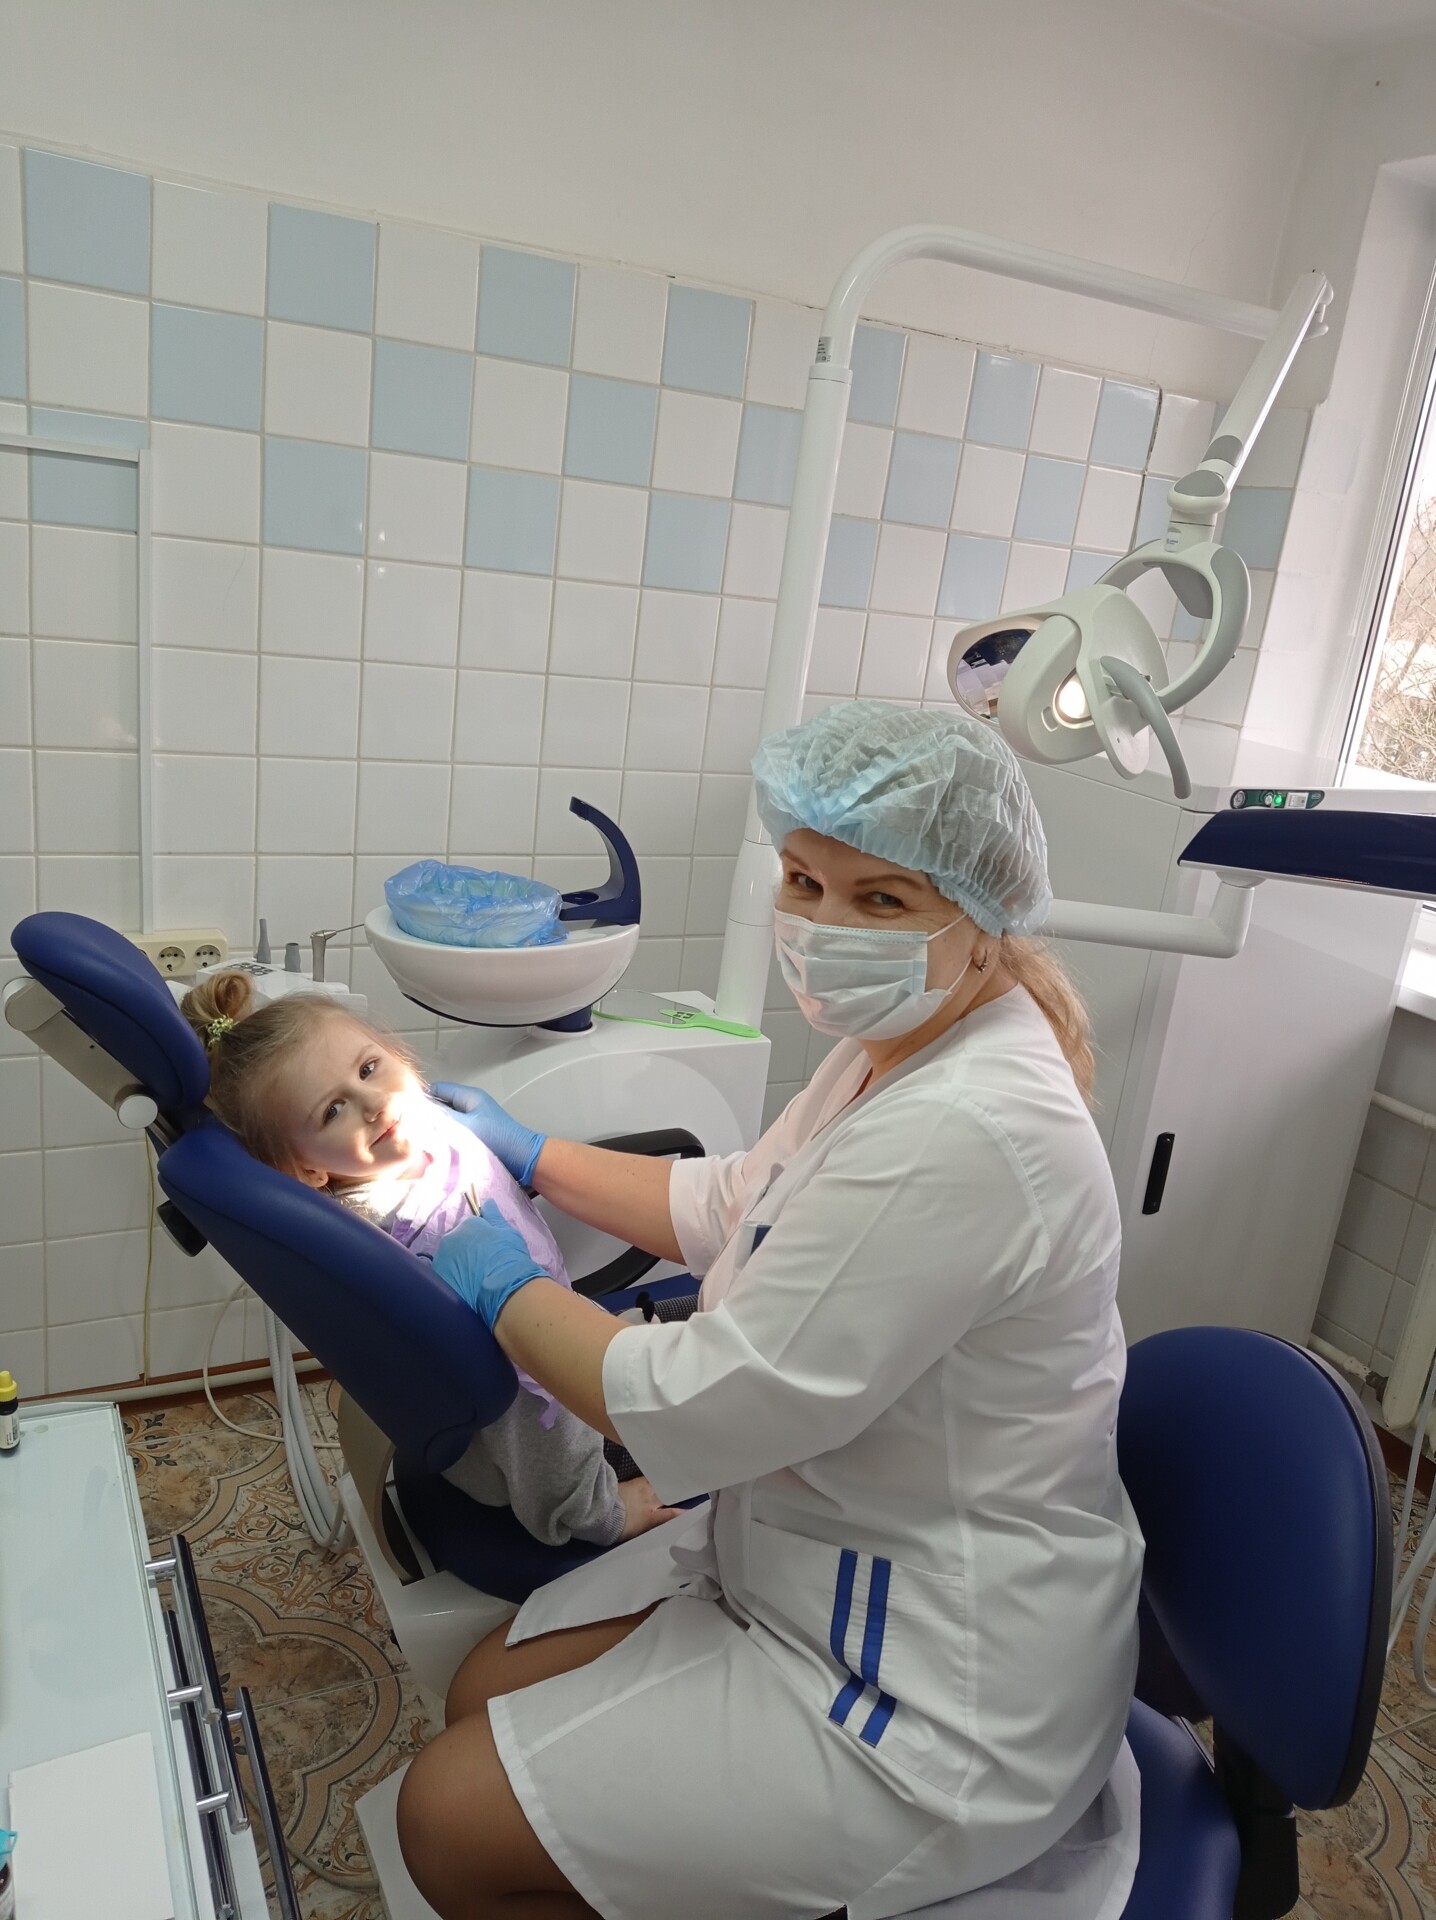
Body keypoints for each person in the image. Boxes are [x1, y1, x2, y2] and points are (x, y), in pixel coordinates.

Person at [397, 699, 1144, 1920]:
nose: (822, 924)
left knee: (445, 1820)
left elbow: (707, 1403)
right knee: (482, 1690)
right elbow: (733, 1198)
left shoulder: (967, 1127)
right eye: (803, 881)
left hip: (927, 1689)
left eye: (880, 899)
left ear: (982, 921)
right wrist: (533, 1156)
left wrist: (504, 1281)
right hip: (802, 1561)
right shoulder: (894, 1048)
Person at [178, 972, 677, 1548]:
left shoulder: (417, 1132)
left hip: (545, 1336)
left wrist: (526, 1151)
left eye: (369, 1068)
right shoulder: (404, 1240)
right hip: (532, 1435)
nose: (373, 1104)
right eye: (333, 1110)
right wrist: (597, 1509)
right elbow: (528, 1417)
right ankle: (595, 1515)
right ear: (309, 1169)